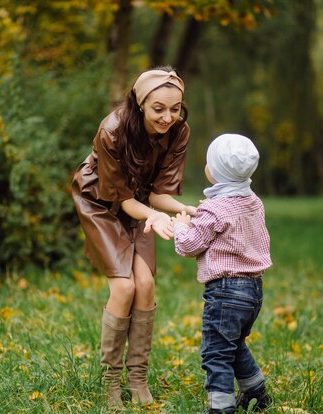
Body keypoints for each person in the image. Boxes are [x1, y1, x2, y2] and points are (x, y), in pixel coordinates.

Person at [71, 66, 197, 407]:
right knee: (124, 286)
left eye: (175, 108)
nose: (168, 116)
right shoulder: (111, 131)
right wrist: (154, 216)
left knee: (147, 284)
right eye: (159, 109)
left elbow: (159, 194)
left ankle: (138, 378)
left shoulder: (178, 132)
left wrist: (185, 209)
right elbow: (123, 200)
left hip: (140, 205)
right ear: (140, 103)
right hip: (101, 203)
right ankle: (110, 380)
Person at [172, 134, 273, 413]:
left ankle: (221, 407)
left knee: (216, 352)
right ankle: (256, 392)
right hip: (254, 291)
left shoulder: (213, 209)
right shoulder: (254, 201)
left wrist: (181, 225)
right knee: (234, 343)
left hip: (226, 292)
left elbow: (189, 245)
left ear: (215, 171)